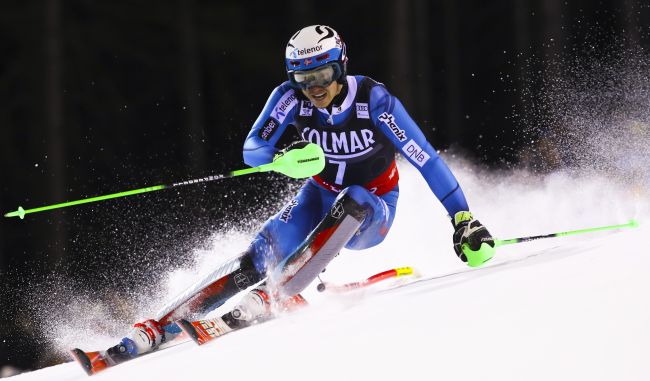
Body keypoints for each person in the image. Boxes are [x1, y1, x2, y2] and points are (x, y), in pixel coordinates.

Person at [101, 24, 495, 363]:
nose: (315, 88)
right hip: (318, 194)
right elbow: (252, 149)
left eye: (322, 75)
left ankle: (276, 293)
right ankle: (160, 325)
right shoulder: (289, 99)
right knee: (263, 253)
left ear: (340, 66)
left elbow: (424, 158)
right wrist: (279, 156)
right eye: (303, 80)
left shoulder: (375, 102)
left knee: (353, 197)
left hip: (373, 209)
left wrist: (462, 218)